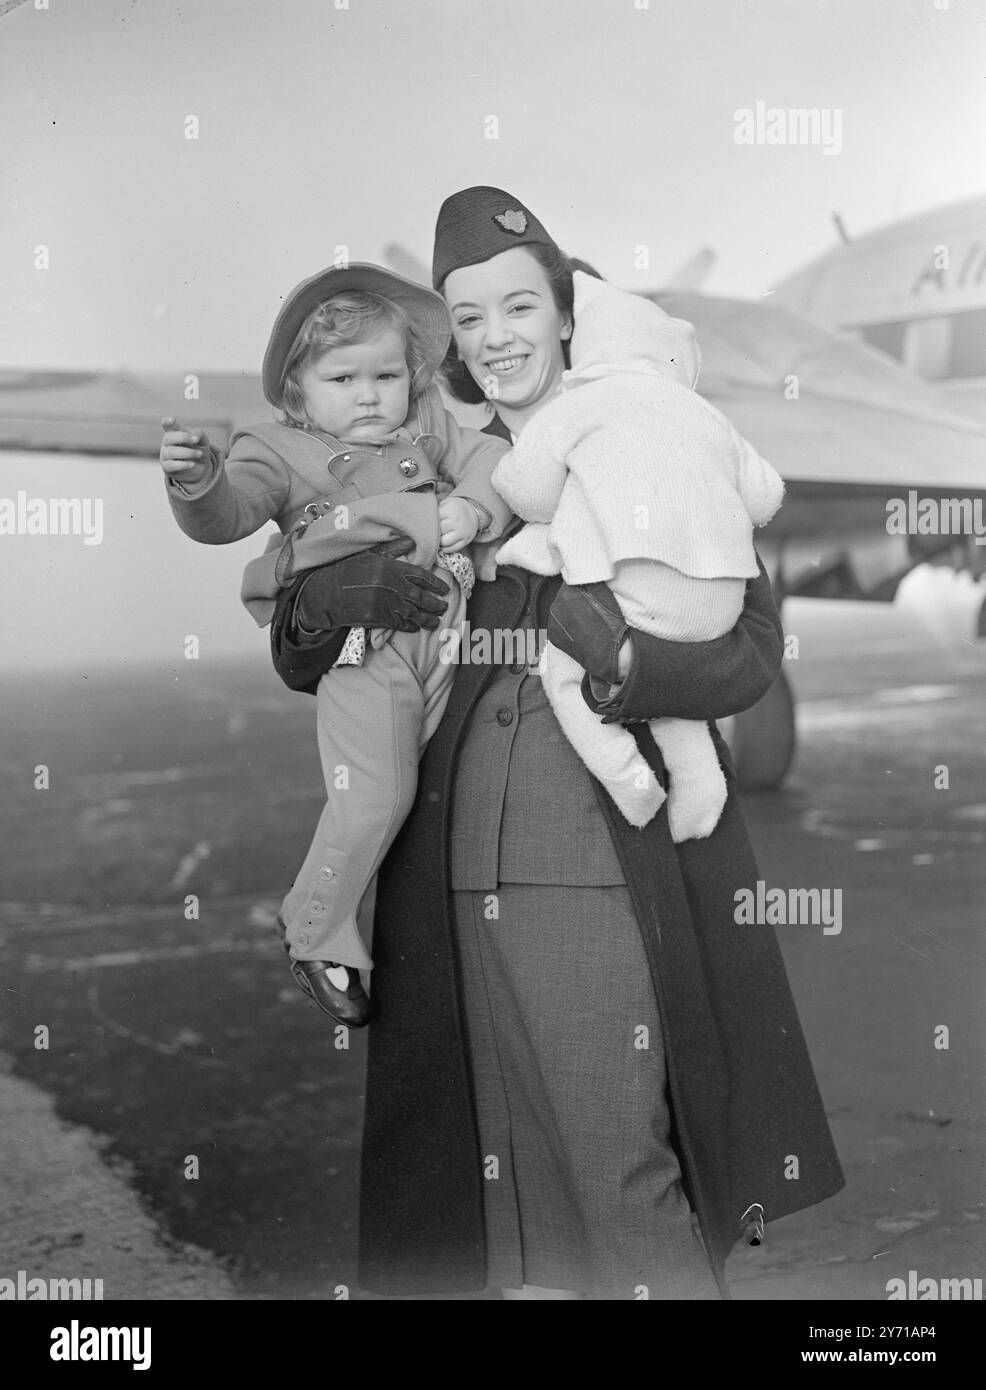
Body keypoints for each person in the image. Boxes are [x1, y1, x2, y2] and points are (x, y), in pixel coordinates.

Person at [270, 186, 844, 1300]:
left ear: (568, 312)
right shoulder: (418, 456)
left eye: (518, 307)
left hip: (584, 859)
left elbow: (749, 649)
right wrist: (347, 593)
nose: (495, 340)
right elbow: (301, 646)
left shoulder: (647, 429)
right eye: (468, 318)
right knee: (507, 1201)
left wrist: (624, 662)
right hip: (442, 869)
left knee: (614, 1168)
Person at [159, 263, 511, 1026]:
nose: (369, 394)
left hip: (448, 640)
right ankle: (315, 929)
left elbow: (487, 458)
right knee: (376, 795)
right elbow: (230, 514)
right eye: (343, 377)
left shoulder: (428, 423)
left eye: (386, 373)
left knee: (438, 791)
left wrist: (477, 510)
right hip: (366, 649)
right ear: (296, 389)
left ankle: (428, 961)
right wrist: (198, 482)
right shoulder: (276, 447)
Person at [491, 269, 785, 839]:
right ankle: (702, 786)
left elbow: (526, 491)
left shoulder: (578, 406)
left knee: (564, 670)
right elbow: (766, 494)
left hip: (636, 606)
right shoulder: (708, 416)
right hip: (718, 612)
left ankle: (628, 779)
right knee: (671, 695)